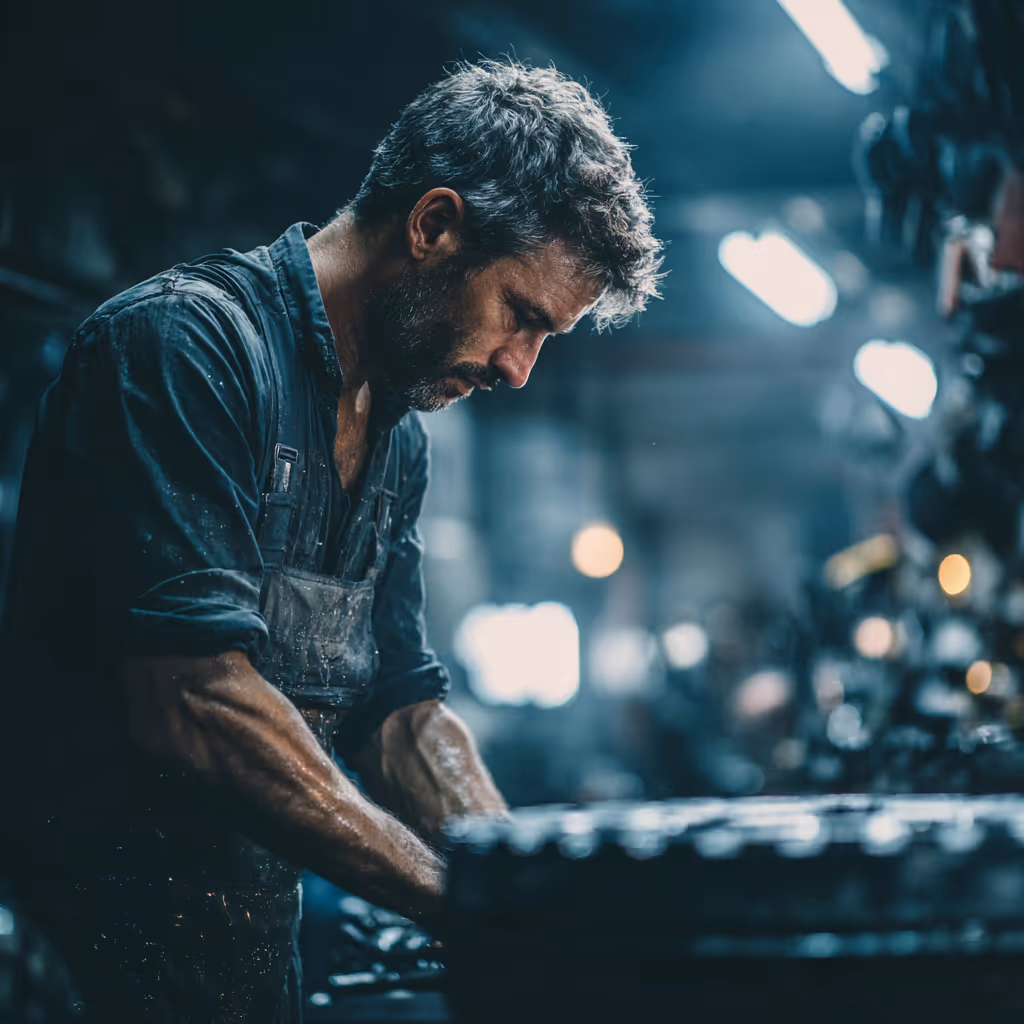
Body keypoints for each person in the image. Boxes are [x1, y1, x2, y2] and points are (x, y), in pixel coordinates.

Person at [0, 59, 662, 1021]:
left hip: (246, 981)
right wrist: (459, 903)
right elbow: (195, 700)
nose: (521, 369)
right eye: (522, 316)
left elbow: (398, 712)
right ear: (433, 227)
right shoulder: (186, 350)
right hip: (78, 979)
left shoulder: (395, 437)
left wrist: (528, 896)